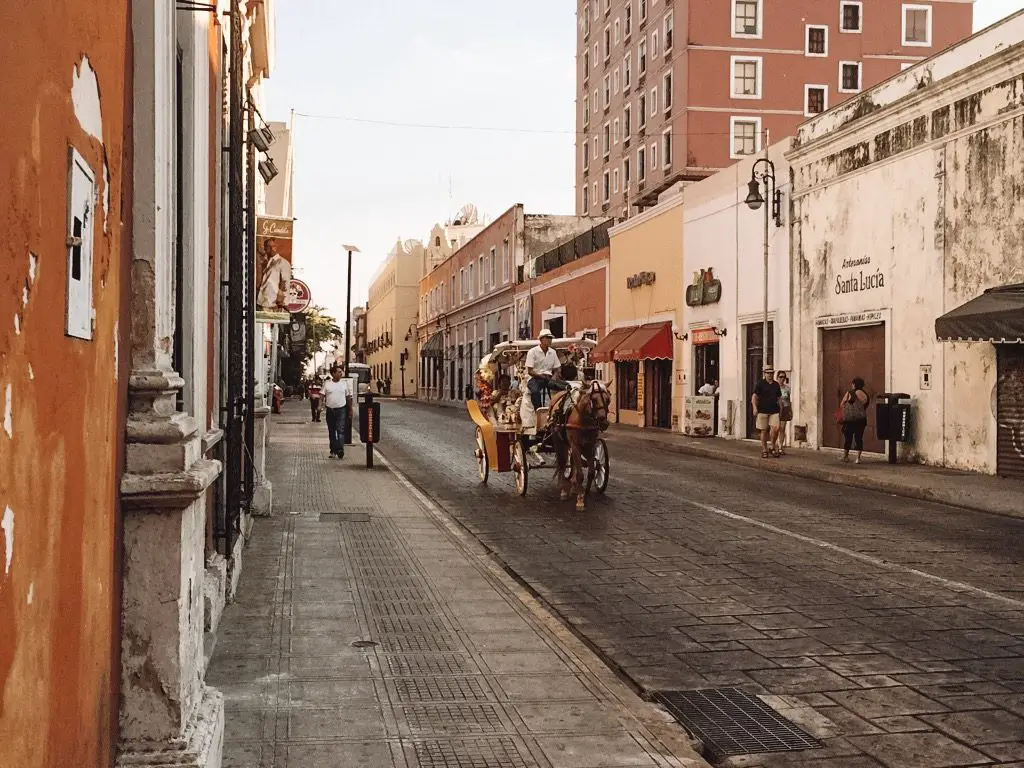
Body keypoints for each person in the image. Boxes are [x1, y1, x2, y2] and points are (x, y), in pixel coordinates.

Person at [526, 329, 567, 409]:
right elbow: (530, 371)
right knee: (535, 391)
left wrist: (554, 376)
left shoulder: (553, 352)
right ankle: (538, 410)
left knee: (567, 386)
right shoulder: (532, 352)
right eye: (547, 338)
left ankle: (560, 408)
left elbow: (557, 368)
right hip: (535, 378)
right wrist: (541, 376)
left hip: (549, 378)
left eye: (550, 338)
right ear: (541, 339)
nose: (550, 340)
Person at [751, 365, 782, 458]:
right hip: (762, 410)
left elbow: (779, 398)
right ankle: (764, 449)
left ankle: (772, 445)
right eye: (768, 373)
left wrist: (781, 409)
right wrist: (755, 408)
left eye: (771, 373)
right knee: (763, 431)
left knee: (776, 428)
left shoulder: (776, 385)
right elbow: (754, 397)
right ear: (764, 374)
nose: (770, 375)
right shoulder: (760, 384)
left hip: (774, 410)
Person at [323, 365, 353, 459]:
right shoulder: (327, 384)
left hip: (341, 409)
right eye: (339, 372)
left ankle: (340, 449)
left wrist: (350, 409)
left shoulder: (344, 384)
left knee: (340, 430)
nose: (341, 373)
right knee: (332, 431)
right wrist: (320, 406)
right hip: (330, 410)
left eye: (341, 372)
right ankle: (333, 450)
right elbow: (321, 395)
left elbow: (348, 397)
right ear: (333, 373)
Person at [257, 238, 292, 311]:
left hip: (273, 303)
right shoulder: (267, 262)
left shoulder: (283, 262)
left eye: (265, 247)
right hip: (262, 301)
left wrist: (281, 301)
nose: (265, 250)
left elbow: (285, 282)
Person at [840, 377, 870, 464]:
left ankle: (845, 456)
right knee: (859, 438)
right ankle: (858, 458)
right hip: (861, 419)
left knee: (848, 438)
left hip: (850, 419)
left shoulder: (851, 392)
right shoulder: (865, 395)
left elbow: (842, 404)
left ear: (854, 384)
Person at [777, 371, 793, 455]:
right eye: (780, 377)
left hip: (785, 408)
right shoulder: (775, 388)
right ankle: (774, 444)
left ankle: (780, 446)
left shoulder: (787, 388)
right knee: (776, 428)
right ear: (777, 378)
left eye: (783, 377)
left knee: (782, 428)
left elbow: (789, 400)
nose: (782, 379)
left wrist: (790, 410)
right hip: (776, 409)